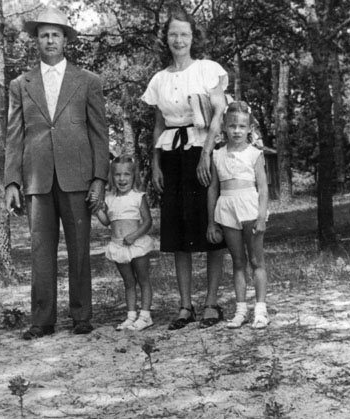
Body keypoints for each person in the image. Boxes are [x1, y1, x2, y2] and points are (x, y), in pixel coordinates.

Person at [4, 6, 109, 339]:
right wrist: (11, 181)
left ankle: (81, 315)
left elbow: (99, 132)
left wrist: (99, 178)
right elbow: (14, 134)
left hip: (78, 176)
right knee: (40, 250)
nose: (50, 40)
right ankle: (42, 320)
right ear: (37, 40)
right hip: (37, 178)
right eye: (44, 35)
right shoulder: (21, 84)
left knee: (79, 248)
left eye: (55, 34)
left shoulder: (88, 81)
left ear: (66, 40)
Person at [141, 9, 227, 330]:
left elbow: (218, 112)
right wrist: (155, 164)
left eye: (185, 35)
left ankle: (211, 303)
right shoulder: (159, 79)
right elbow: (159, 124)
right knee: (178, 231)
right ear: (166, 38)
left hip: (202, 150)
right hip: (172, 155)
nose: (179, 40)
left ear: (193, 38)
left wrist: (206, 154)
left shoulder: (207, 70)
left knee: (209, 224)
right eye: (173, 34)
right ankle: (185, 305)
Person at [206, 101, 270, 329]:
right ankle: (241, 309)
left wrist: (261, 217)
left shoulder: (254, 154)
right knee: (238, 261)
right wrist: (211, 222)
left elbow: (263, 187)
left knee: (256, 260)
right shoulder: (216, 155)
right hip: (227, 207)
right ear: (224, 127)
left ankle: (261, 310)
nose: (237, 131)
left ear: (249, 128)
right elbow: (213, 188)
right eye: (232, 126)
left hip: (249, 207)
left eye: (242, 126)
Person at [94, 154, 154, 331]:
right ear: (112, 177)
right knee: (128, 282)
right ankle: (130, 315)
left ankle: (145, 315)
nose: (122, 179)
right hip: (118, 246)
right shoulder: (109, 198)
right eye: (117, 175)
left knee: (143, 279)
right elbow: (106, 222)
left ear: (134, 176)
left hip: (136, 245)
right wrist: (97, 210)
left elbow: (148, 222)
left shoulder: (138, 196)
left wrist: (135, 235)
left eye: (126, 174)